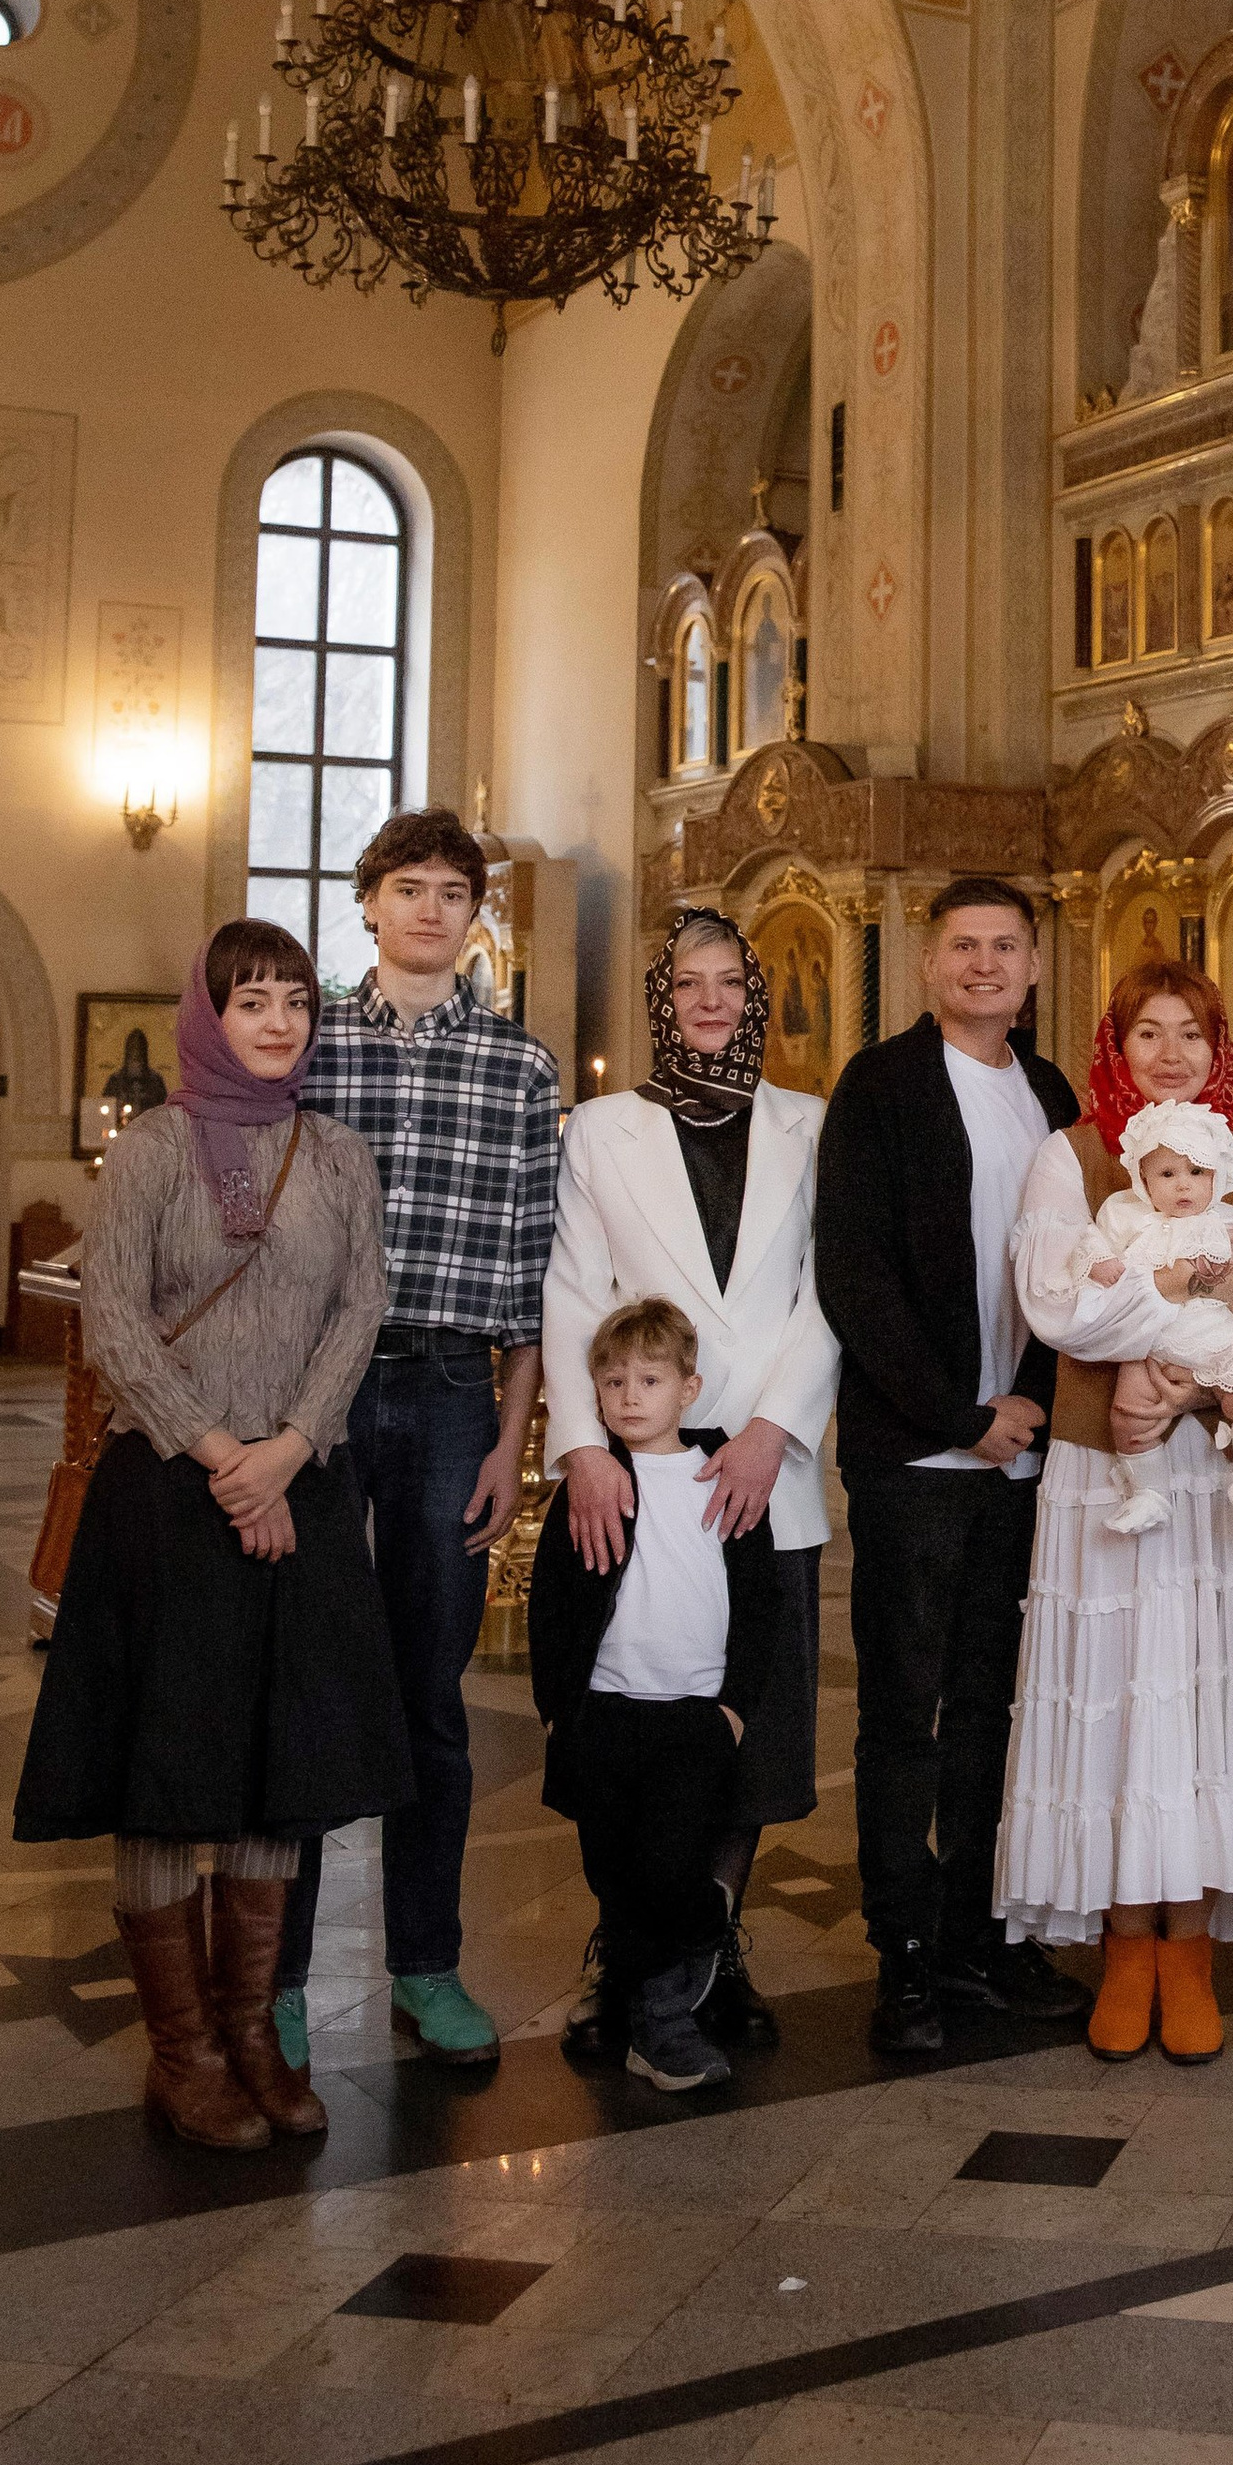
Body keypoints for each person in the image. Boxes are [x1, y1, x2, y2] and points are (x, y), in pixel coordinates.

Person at [15, 924, 407, 2149]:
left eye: (296, 1000)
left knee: (269, 1767)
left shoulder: (337, 1154)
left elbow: (363, 1307)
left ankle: (250, 2034)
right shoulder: (152, 1152)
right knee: (164, 1773)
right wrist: (224, 1456)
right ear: (209, 1014)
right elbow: (116, 1322)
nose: (279, 1021)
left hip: (302, 1485)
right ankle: (179, 2054)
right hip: (170, 1502)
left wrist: (289, 1446)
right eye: (252, 1001)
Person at [1004, 962, 1233, 2063]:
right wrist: (1152, 1363)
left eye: (1190, 1034)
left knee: (1211, 1692)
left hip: (1225, 1472)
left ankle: (1191, 1940)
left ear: (1219, 1049)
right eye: (1146, 1033)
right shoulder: (1073, 1155)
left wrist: (1205, 1383)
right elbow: (1060, 1301)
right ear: (1115, 1045)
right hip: (1112, 1466)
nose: (1169, 1052)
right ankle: (1124, 1941)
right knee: (1121, 1691)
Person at [275, 808, 560, 2073]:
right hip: (321, 1400)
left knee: (430, 1694)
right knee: (308, 1675)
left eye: (454, 891)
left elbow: (527, 1275)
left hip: (452, 1393)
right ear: (369, 903)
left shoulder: (519, 1067)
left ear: (476, 912)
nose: (432, 909)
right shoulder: (310, 1047)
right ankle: (278, 1974)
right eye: (408, 888)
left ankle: (427, 1962)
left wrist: (511, 1444)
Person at [539, 908, 840, 2061]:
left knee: (745, 1732)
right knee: (629, 1733)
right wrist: (580, 1449)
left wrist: (773, 1429)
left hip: (764, 1471)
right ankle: (629, 1957)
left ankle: (710, 1955)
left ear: (757, 1001)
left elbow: (829, 1293)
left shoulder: (810, 1126)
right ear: (660, 1002)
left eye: (730, 985)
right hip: (639, 1470)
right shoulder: (602, 1130)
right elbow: (574, 1292)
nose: (710, 1003)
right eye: (689, 986)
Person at [814, 879, 1094, 2058]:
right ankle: (908, 1953)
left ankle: (984, 1929)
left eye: (1005, 948)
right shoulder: (879, 1087)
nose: (984, 965)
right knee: (903, 1714)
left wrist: (1026, 1406)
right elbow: (854, 1274)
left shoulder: (1050, 1092)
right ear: (930, 966)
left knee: (995, 1708)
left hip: (1021, 1454)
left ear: (1034, 968)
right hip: (917, 1454)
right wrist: (957, 1412)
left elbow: (1081, 1264)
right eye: (963, 947)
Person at [529, 1299, 782, 2095]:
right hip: (602, 1714)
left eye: (649, 1379)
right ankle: (654, 2013)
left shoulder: (723, 1477)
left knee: (669, 1866)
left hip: (692, 1720)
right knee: (614, 1878)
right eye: (612, 1382)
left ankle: (669, 2017)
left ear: (689, 1387)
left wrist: (734, 1709)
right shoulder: (594, 1484)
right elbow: (552, 1602)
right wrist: (555, 1708)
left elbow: (760, 1602)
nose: (629, 1396)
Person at [1068, 1101, 1233, 1533]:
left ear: (1217, 1175)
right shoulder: (1125, 1215)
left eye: (1197, 1172)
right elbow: (1093, 1242)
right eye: (1167, 1174)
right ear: (1143, 1179)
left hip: (1216, 1328)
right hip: (1150, 1336)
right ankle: (1149, 1492)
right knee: (1128, 1414)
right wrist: (1098, 1261)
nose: (1184, 1186)